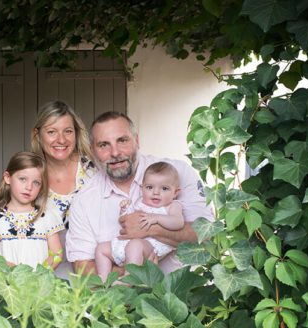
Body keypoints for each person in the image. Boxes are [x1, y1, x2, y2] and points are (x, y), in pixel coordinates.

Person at [66, 111, 212, 275]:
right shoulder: (84, 200)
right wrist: (135, 273)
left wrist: (150, 229)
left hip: (185, 297)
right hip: (117, 299)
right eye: (103, 145)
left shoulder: (178, 174)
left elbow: (207, 234)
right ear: (93, 150)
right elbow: (82, 267)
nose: (115, 153)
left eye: (122, 140)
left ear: (137, 140)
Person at [31, 101, 97, 277]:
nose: (61, 140)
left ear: (76, 133)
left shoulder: (93, 171)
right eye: (52, 132)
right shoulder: (28, 175)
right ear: (38, 135)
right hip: (43, 273)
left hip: (91, 271)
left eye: (68, 131)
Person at [95, 162, 184, 281]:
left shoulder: (172, 206)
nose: (156, 192)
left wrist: (156, 217)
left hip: (150, 248)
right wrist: (124, 211)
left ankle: (129, 279)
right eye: (149, 187)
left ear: (175, 193)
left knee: (135, 244)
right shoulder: (140, 203)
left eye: (164, 188)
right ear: (142, 188)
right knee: (101, 248)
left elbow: (178, 222)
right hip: (126, 246)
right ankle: (103, 280)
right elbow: (126, 223)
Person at [0, 151, 64, 269]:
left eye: (36, 183)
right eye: (23, 179)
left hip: (39, 285)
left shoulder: (47, 218)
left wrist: (37, 275)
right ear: (8, 178)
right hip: (6, 284)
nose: (29, 187)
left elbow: (57, 254)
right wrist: (13, 272)